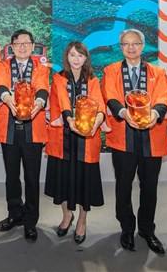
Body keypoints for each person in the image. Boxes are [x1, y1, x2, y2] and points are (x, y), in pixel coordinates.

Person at [102, 28, 167, 255]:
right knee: (123, 186)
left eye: (135, 43)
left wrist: (154, 115)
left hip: (151, 137)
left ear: (143, 46)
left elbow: (164, 98)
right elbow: (111, 97)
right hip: (123, 137)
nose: (131, 48)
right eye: (126, 44)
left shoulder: (157, 72)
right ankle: (126, 227)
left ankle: (146, 229)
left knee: (149, 187)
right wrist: (125, 114)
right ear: (121, 47)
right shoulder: (111, 70)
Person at [45, 41, 106, 245]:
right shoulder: (59, 78)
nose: (76, 59)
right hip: (63, 137)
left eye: (80, 55)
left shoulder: (93, 80)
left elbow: (99, 105)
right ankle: (66, 215)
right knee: (62, 180)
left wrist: (96, 123)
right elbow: (62, 101)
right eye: (72, 55)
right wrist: (70, 120)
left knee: (84, 182)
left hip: (87, 138)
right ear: (67, 57)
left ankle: (82, 219)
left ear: (86, 58)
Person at [0, 29, 49, 241]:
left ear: (33, 46)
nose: (23, 46)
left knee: (32, 177)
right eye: (18, 43)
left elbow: (42, 88)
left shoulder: (40, 68)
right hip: (9, 129)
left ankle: (31, 220)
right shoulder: (3, 66)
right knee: (12, 176)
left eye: (27, 43)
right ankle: (14, 214)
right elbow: (1, 86)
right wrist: (8, 100)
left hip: (33, 129)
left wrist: (39, 103)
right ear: (12, 47)